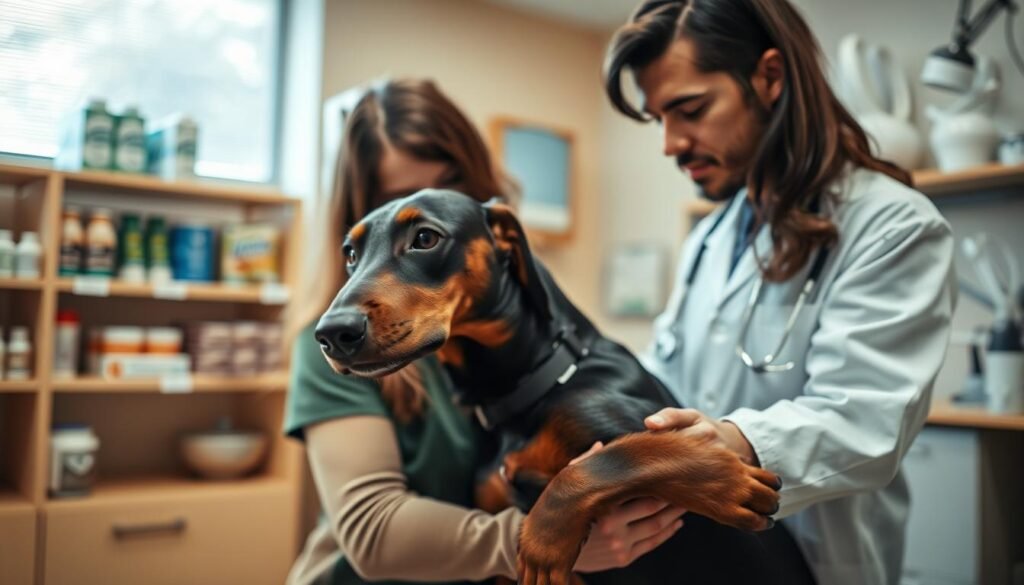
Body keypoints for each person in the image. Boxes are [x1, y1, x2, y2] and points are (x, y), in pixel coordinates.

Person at [602, 1, 957, 584]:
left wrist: (733, 442)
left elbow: (864, 419)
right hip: (700, 559)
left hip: (819, 561)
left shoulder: (892, 224)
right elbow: (661, 373)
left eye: (689, 110)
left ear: (769, 77)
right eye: (659, 118)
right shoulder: (710, 236)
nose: (670, 143)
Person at [284, 78, 684, 585]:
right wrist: (554, 534)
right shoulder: (335, 343)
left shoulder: (526, 335)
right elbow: (372, 530)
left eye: (448, 186)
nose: (427, 204)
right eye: (393, 201)